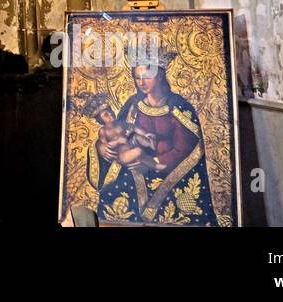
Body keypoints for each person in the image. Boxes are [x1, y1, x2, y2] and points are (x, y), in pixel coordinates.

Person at [88, 52, 218, 224]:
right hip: (134, 171)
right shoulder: (133, 104)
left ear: (160, 75)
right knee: (111, 198)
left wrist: (151, 161)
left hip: (170, 171)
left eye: (147, 77)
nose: (141, 82)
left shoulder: (179, 107)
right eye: (137, 77)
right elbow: (115, 130)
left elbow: (186, 149)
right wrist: (100, 147)